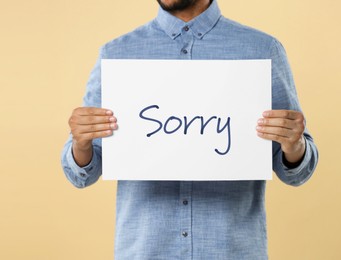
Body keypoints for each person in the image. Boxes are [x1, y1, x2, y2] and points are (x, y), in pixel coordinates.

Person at [61, 0, 319, 259]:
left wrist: (294, 145)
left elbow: (296, 173)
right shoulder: (116, 54)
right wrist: (81, 143)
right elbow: (82, 175)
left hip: (232, 251)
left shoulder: (262, 50)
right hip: (146, 251)